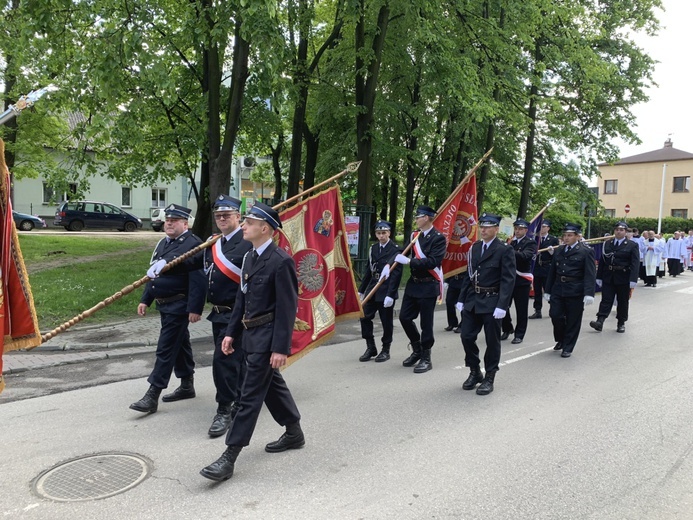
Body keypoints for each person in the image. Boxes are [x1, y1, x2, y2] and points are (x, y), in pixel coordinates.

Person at [200, 202, 303, 482]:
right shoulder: (250, 258)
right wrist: (231, 332)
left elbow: (287, 308)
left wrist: (281, 348)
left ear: (265, 228)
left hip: (267, 337)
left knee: (248, 396)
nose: (243, 225)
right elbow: (241, 299)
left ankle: (229, 457)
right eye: (244, 221)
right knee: (272, 387)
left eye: (248, 222)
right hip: (248, 335)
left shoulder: (281, 261)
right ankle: (294, 432)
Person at [130, 204, 206, 413]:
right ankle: (187, 385)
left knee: (166, 347)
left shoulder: (193, 244)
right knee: (180, 344)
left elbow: (198, 279)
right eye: (167, 220)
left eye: (174, 220)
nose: (169, 223)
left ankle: (153, 393)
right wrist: (146, 299)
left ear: (185, 223)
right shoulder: (163, 243)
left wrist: (195, 308)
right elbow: (153, 274)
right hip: (165, 303)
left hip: (179, 304)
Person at [201, 195, 252, 437]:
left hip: (239, 314)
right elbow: (202, 273)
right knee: (235, 361)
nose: (222, 219)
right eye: (218, 215)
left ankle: (225, 409)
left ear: (238, 217)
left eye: (227, 215)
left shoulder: (247, 241)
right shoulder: (212, 243)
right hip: (218, 314)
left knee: (224, 361)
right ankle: (241, 400)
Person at [456, 213, 515, 395]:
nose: (483, 230)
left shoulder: (504, 250)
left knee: (492, 341)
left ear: (496, 229)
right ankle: (475, 371)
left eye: (488, 227)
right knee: (466, 336)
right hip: (474, 299)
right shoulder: (475, 248)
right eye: (482, 227)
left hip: (492, 300)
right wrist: (460, 298)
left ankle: (489, 376)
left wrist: (502, 305)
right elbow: (470, 274)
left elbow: (508, 279)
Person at [394, 205, 447, 373]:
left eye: (418, 216)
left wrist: (410, 262)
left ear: (426, 218)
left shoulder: (438, 238)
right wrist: (391, 260)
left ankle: (426, 356)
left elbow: (432, 262)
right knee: (404, 317)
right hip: (414, 284)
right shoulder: (414, 236)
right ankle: (417, 348)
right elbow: (405, 252)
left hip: (428, 285)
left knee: (426, 324)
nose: (416, 219)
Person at [544, 223, 596, 357]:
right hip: (558, 288)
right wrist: (548, 290)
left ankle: (568, 346)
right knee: (555, 315)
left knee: (573, 319)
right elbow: (552, 272)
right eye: (565, 235)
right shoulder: (559, 250)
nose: (566, 238)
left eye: (570, 235)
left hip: (575, 290)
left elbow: (589, 273)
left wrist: (589, 293)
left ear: (578, 236)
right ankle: (560, 339)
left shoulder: (586, 251)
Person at [357, 220, 402, 362]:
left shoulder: (396, 249)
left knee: (386, 321)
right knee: (364, 316)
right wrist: (361, 290)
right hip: (373, 287)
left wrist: (390, 294)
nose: (381, 236)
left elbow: (396, 275)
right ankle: (370, 347)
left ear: (389, 233)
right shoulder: (373, 248)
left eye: (384, 233)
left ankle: (385, 349)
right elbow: (369, 271)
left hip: (386, 288)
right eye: (378, 233)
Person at [589, 222, 640, 333]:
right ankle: (600, 321)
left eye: (621, 230)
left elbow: (635, 263)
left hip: (624, 276)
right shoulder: (607, 244)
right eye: (617, 229)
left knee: (622, 301)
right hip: (609, 275)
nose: (618, 231)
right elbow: (602, 260)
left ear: (626, 232)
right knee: (606, 300)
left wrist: (633, 279)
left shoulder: (632, 245)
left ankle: (621, 322)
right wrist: (599, 276)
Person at [500, 218, 537, 344]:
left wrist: (509, 249)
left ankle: (519, 334)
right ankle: (507, 328)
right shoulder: (510, 241)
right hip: (508, 280)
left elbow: (525, 256)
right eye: (516, 228)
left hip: (521, 280)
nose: (517, 231)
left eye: (520, 229)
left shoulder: (530, 243)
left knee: (521, 310)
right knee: (503, 306)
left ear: (526, 230)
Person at [529, 220, 559, 320]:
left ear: (548, 228)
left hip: (547, 267)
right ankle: (537, 311)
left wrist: (552, 252)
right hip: (537, 267)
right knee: (537, 290)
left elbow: (557, 255)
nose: (542, 229)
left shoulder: (553, 239)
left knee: (549, 289)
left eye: (544, 226)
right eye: (541, 227)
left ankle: (553, 309)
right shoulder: (535, 239)